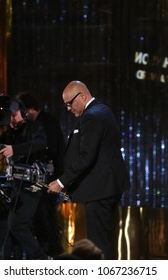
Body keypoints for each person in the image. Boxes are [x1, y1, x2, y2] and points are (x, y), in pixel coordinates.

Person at [48, 80, 131, 259]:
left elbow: (87, 156)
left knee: (98, 244)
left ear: (83, 96)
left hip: (100, 191)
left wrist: (62, 182)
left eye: (70, 103)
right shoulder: (100, 111)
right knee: (100, 240)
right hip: (103, 188)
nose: (68, 108)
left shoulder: (92, 116)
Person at [0, 97, 49, 259]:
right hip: (12, 183)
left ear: (24, 113)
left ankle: (41, 259)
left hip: (32, 184)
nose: (12, 118)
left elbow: (40, 143)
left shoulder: (34, 127)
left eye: (15, 114)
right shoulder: (10, 132)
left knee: (17, 224)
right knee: (2, 227)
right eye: (9, 115)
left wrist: (15, 149)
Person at [17, 91, 65, 257]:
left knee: (44, 214)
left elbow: (51, 150)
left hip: (49, 179)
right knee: (37, 215)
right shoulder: (33, 124)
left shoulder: (47, 122)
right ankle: (44, 251)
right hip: (39, 179)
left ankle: (52, 252)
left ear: (30, 108)